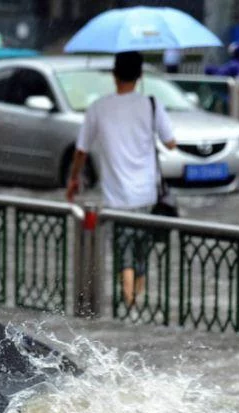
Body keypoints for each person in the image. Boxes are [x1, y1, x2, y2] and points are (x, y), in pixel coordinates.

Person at [66, 51, 177, 309]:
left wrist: (73, 180)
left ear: (114, 76)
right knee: (141, 256)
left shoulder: (98, 107)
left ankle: (128, 307)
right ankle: (137, 305)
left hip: (117, 198)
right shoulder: (151, 103)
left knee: (123, 256)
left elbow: (81, 151)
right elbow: (171, 143)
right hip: (147, 195)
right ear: (139, 76)